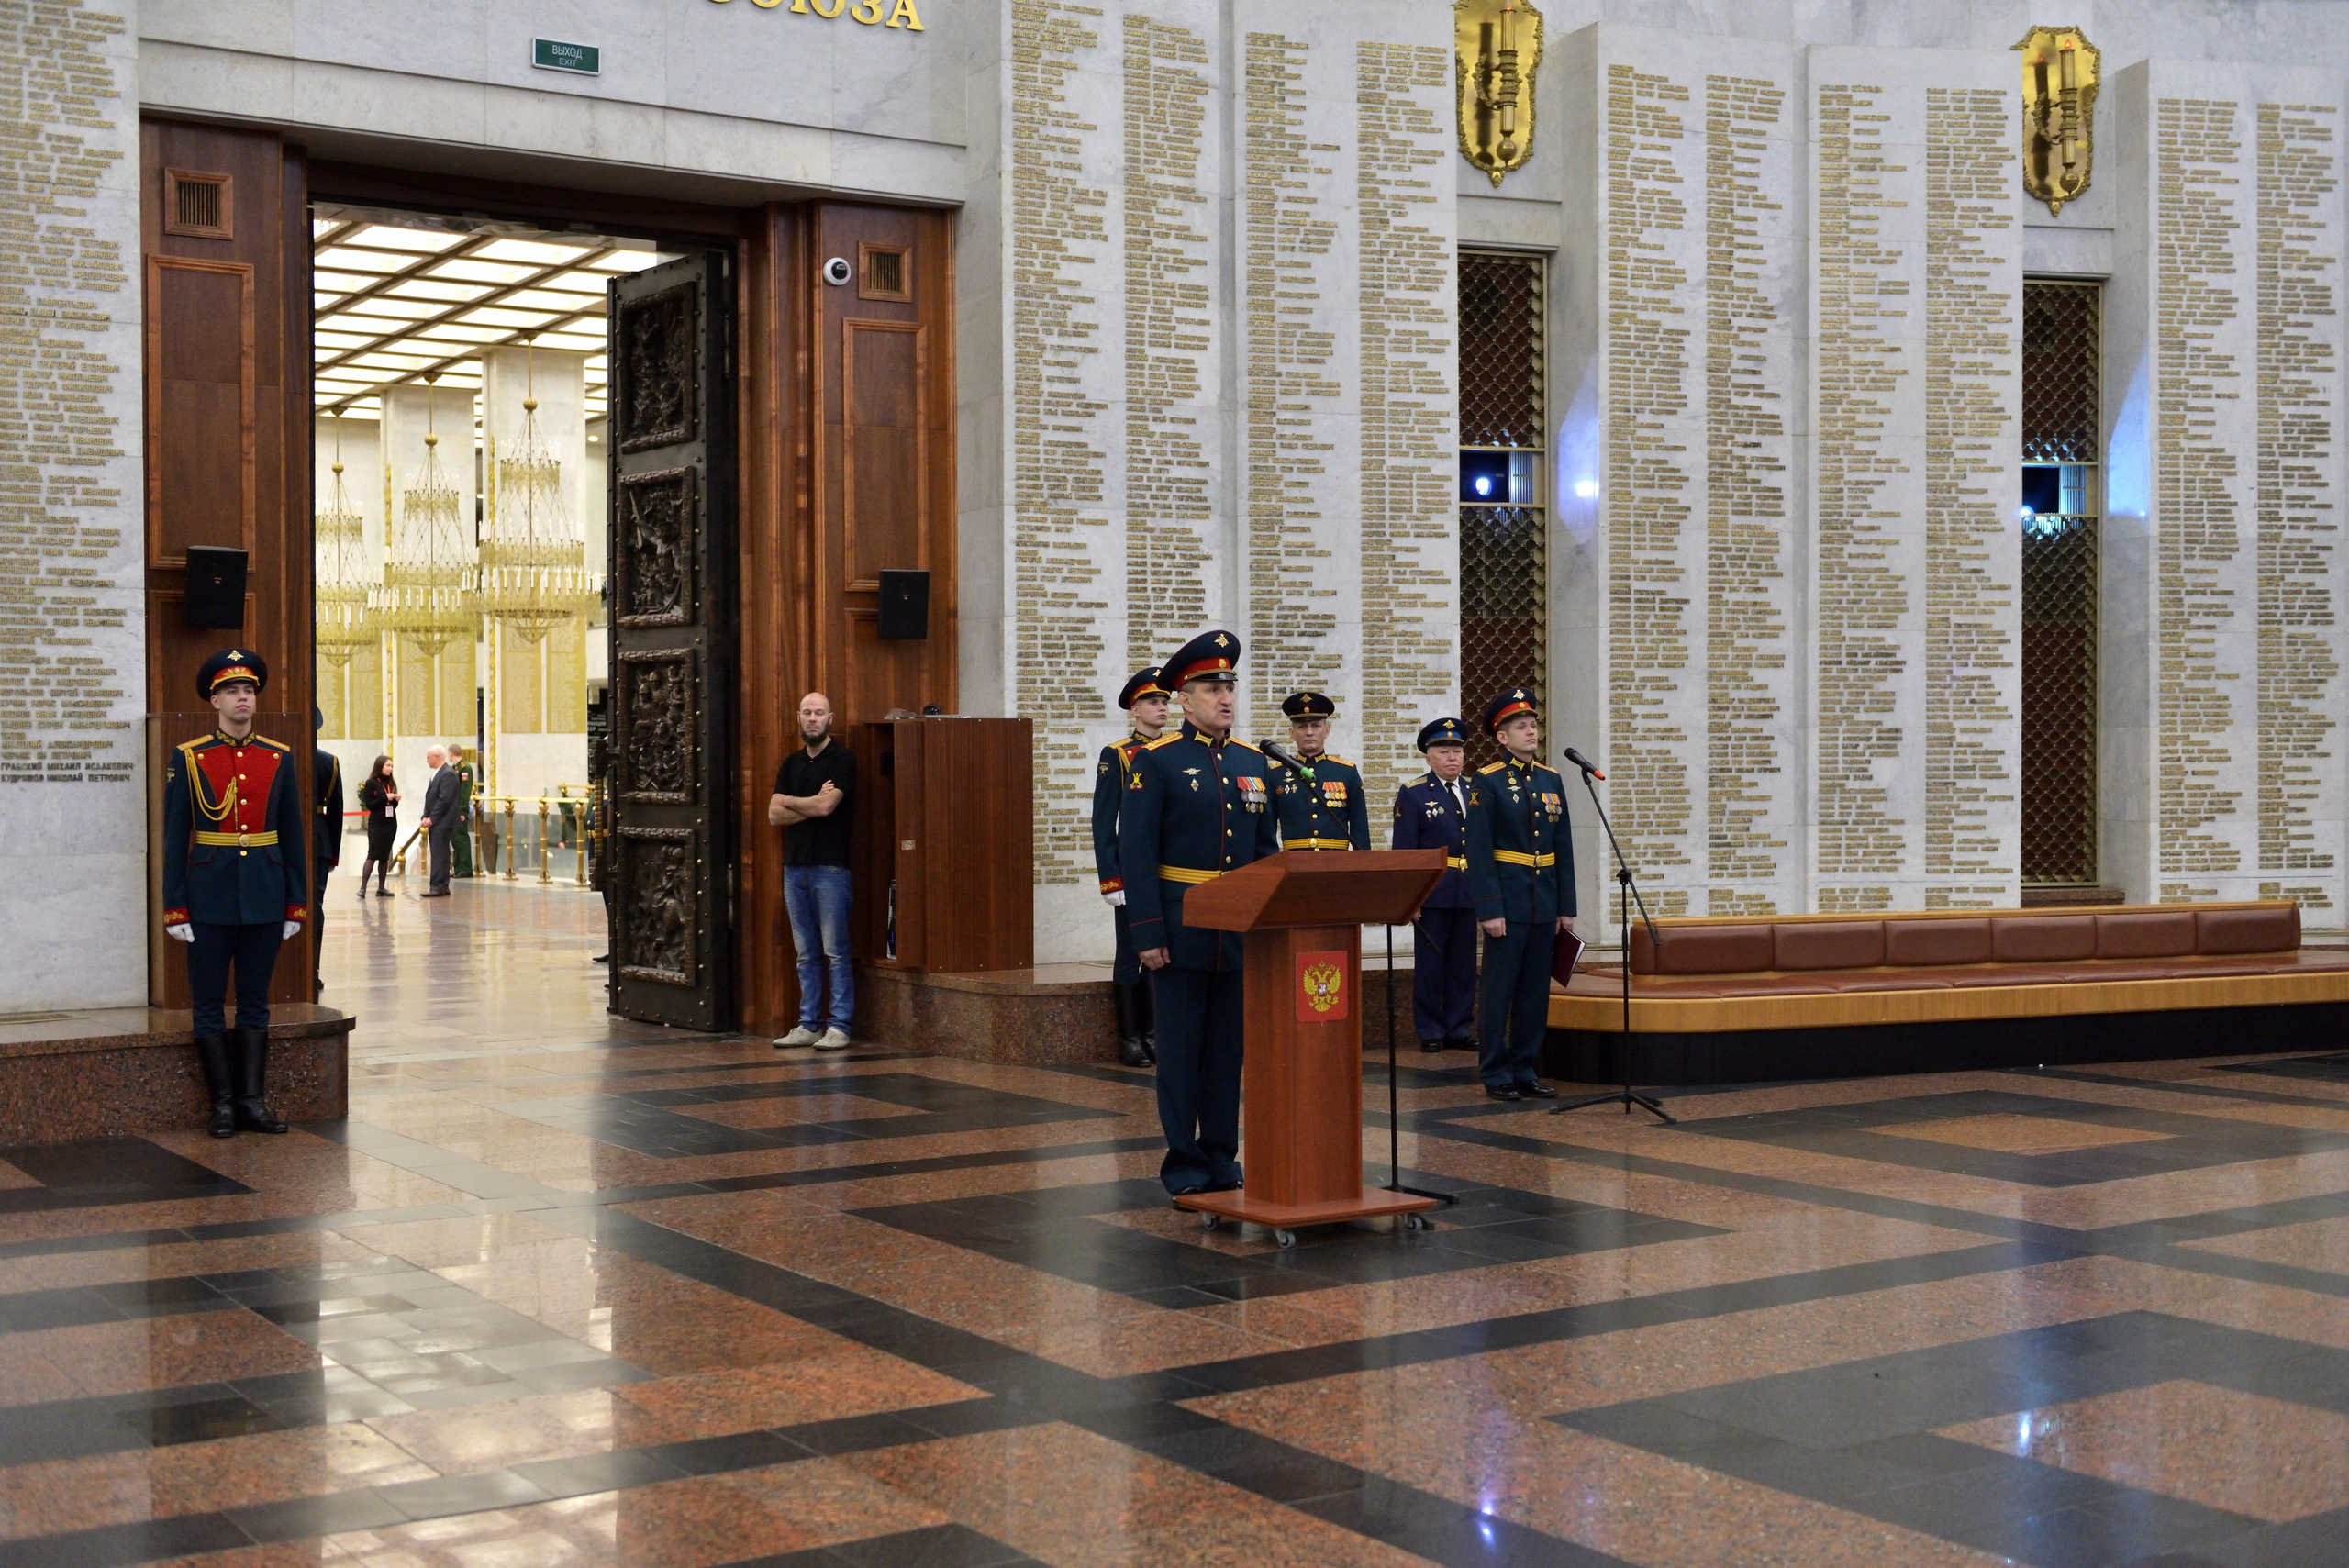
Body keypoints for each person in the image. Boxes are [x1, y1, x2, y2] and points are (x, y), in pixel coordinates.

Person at [1119, 630, 1280, 1198]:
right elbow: (1135, 851)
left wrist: (1267, 925)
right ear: (1184, 700)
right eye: (1212, 688)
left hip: (1236, 936)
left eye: (1230, 687)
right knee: (1181, 1054)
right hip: (1179, 930)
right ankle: (1184, 1163)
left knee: (1225, 1056)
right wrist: (1146, 931)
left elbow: (1265, 854)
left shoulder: (1254, 764)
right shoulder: (1156, 762)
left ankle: (1221, 1157)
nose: (1225, 698)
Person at [161, 649, 306, 1138]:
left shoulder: (278, 757)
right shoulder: (189, 757)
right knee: (206, 1003)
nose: (242, 698)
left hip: (265, 896)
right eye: (231, 691)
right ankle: (221, 1105)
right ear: (214, 699)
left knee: (254, 1002)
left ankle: (252, 1103)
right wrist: (174, 906)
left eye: (248, 691)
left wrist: (296, 901)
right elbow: (174, 838)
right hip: (208, 899)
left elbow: (292, 834)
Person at [1464, 687, 1575, 1102]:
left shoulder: (1552, 779)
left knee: (1534, 991)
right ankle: (1495, 1072)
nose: (1530, 732)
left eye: (1532, 725)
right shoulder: (1487, 781)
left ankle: (1525, 1066)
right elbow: (1478, 850)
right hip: (1507, 905)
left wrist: (1566, 907)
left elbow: (1562, 846)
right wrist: (1490, 908)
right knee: (1499, 989)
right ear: (1502, 737)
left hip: (1543, 902)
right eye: (1520, 727)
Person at [769, 691, 856, 1051]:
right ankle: (809, 1024)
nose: (813, 719)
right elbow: (775, 814)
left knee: (835, 951)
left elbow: (826, 809)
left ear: (830, 718)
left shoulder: (842, 760)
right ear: (799, 718)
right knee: (805, 952)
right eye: (807, 713)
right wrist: (805, 802)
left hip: (830, 869)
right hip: (795, 867)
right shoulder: (790, 764)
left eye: (819, 713)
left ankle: (839, 1026)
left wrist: (795, 804)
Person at [1092, 665, 1169, 1068]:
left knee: (1163, 952)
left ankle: (1154, 1032)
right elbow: (1104, 821)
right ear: (1134, 709)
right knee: (1130, 954)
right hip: (1131, 872)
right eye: (1153, 702)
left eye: (1164, 701)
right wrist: (1111, 878)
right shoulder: (1119, 754)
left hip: (1165, 871)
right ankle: (1130, 1037)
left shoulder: (1172, 751)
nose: (1161, 709)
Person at [1392, 717, 1476, 1053]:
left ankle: (1458, 1028)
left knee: (1463, 965)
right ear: (1429, 757)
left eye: (1457, 750)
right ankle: (1429, 1029)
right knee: (1430, 965)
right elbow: (1406, 852)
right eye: (1443, 751)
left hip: (1469, 890)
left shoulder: (1475, 791)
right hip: (1433, 892)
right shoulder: (1413, 794)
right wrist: (1410, 898)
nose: (1452, 757)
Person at [1267, 690, 1370, 851]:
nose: (1309, 732)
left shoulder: (1346, 772)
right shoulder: (1275, 774)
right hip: (1294, 863)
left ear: (1326, 730)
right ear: (1291, 733)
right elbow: (1267, 831)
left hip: (1336, 864)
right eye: (1302, 727)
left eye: (1315, 725)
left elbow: (1360, 828)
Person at [311, 709, 342, 1000]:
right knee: (315, 905)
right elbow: (335, 813)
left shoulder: (280, 756)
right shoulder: (328, 762)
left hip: (285, 840)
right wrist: (334, 854)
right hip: (320, 840)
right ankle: (313, 971)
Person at [418, 745, 459, 897]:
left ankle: (438, 886)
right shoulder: (437, 773)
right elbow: (431, 797)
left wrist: (432, 818)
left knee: (440, 854)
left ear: (437, 757)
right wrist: (424, 815)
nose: (427, 760)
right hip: (436, 821)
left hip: (443, 821)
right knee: (438, 853)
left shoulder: (448, 774)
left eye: (428, 757)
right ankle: (440, 885)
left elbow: (444, 800)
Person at [356, 755, 398, 895]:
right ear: (380, 766)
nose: (390, 769)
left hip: (390, 823)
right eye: (388, 766)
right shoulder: (371, 783)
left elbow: (393, 806)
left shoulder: (391, 783)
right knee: (373, 854)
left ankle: (381, 888)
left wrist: (395, 799)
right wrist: (385, 797)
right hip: (377, 824)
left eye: (391, 766)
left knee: (384, 856)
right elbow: (370, 804)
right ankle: (363, 888)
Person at [448, 743, 478, 877]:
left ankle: (466, 868)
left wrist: (462, 811)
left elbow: (465, 792)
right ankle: (458, 867)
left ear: (451, 754)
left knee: (461, 838)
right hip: (453, 809)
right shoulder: (454, 768)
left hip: (459, 810)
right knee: (455, 838)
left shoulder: (465, 768)